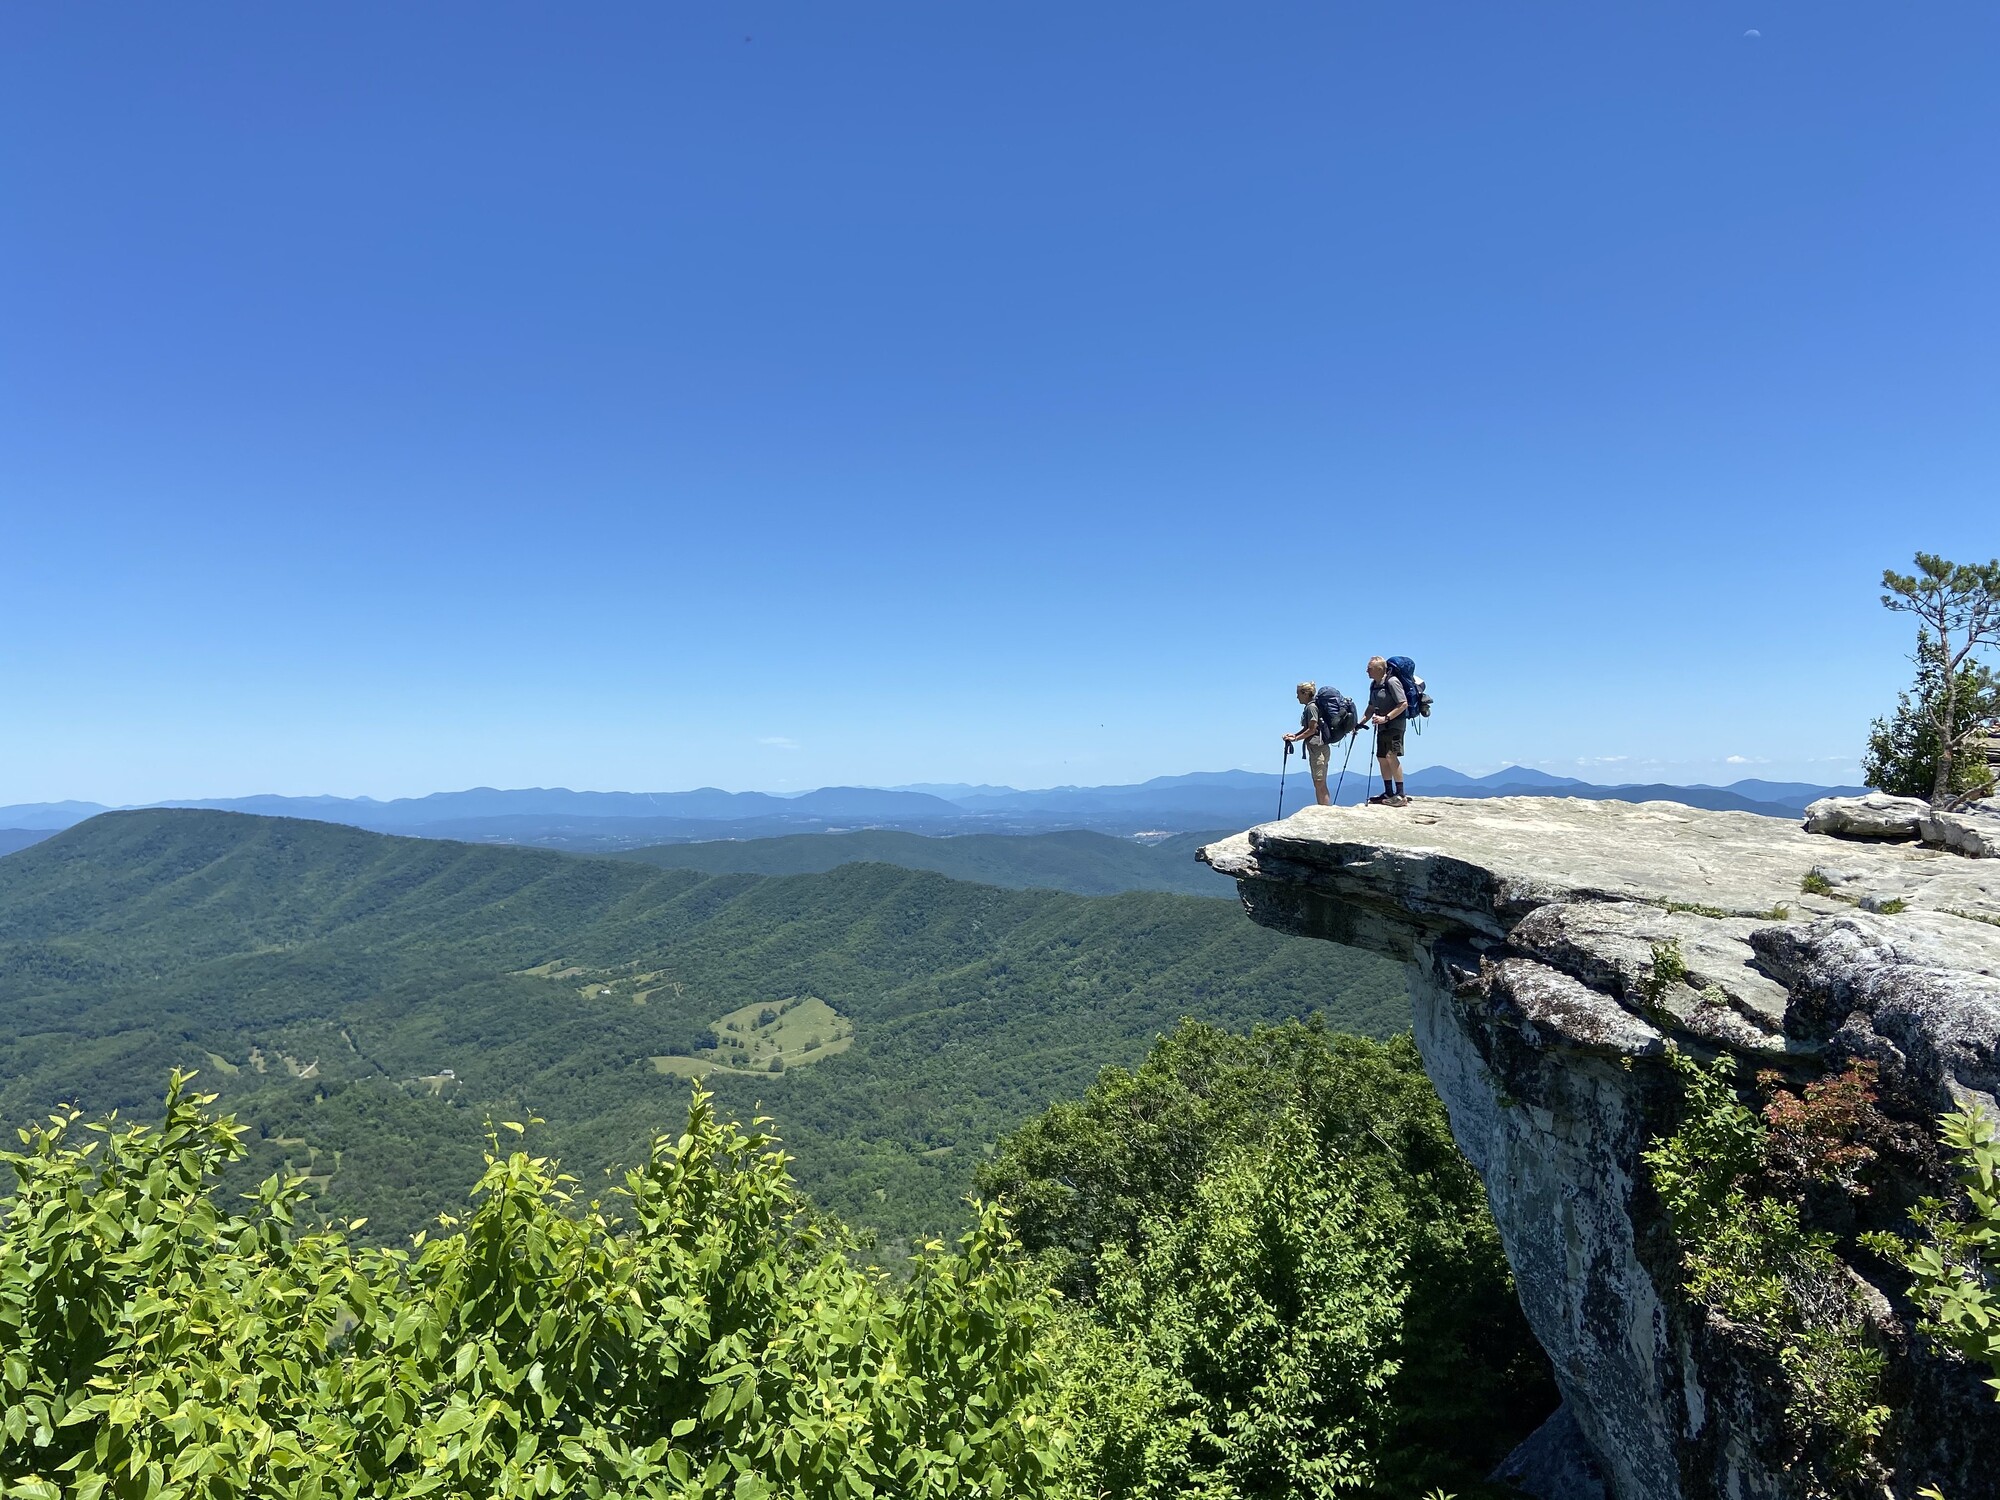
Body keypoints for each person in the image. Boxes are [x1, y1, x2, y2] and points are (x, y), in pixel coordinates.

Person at [1364, 656, 1408, 806]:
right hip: (1382, 726)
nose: (1366, 671)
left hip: (1395, 725)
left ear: (1379, 669)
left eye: (1369, 668)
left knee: (1391, 756)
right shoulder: (1374, 685)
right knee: (1382, 757)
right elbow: (1370, 707)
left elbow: (1403, 704)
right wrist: (1359, 724)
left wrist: (1386, 718)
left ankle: (1401, 794)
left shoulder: (1392, 682)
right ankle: (1389, 792)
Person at [1284, 681, 1333, 806]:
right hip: (1319, 748)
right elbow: (1309, 728)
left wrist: (1296, 739)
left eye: (1298, 693)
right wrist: (1295, 735)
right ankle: (1323, 808)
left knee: (1319, 782)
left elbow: (1312, 729)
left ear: (1305, 693)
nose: (1297, 697)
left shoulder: (1311, 708)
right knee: (1319, 782)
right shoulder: (1312, 707)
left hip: (1318, 749)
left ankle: (1325, 811)